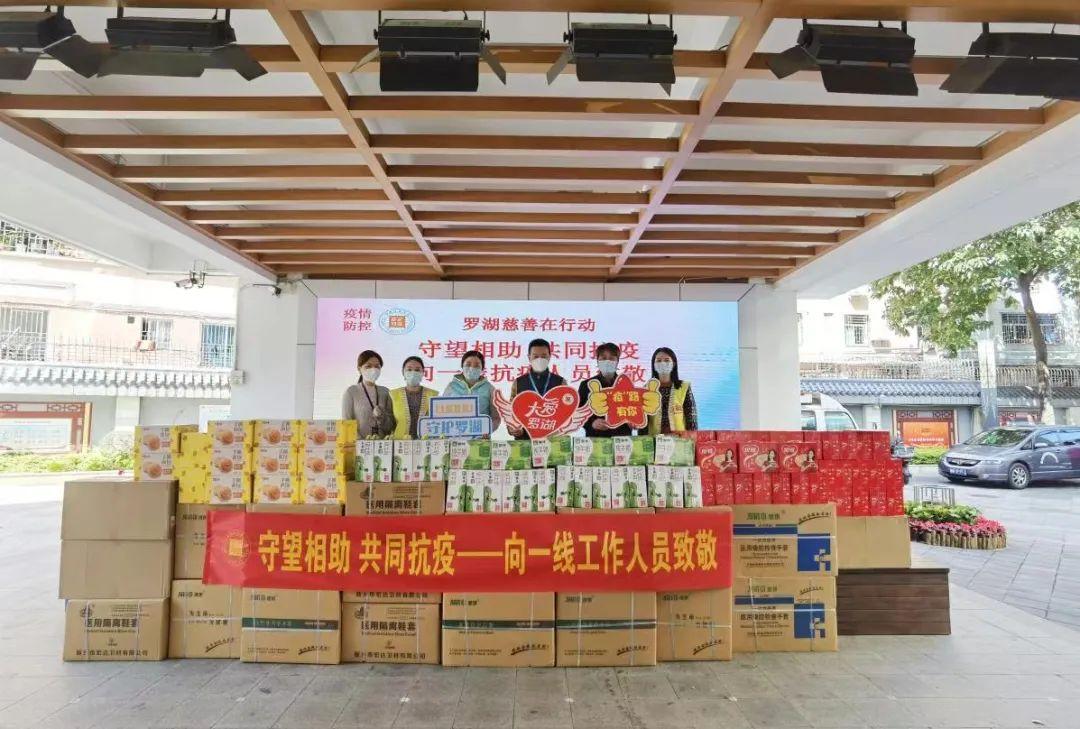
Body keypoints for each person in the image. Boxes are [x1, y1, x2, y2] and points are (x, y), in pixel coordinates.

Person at [508, 338, 566, 439]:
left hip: (552, 441)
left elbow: (565, 412)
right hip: (524, 440)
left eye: (543, 356)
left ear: (549, 357)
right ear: (529, 357)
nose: (539, 359)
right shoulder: (519, 382)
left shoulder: (560, 382)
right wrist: (512, 428)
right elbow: (511, 411)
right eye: (535, 356)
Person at [578, 342, 633, 437]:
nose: (607, 361)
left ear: (617, 361)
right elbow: (578, 413)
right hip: (596, 439)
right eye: (603, 358)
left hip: (621, 438)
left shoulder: (627, 385)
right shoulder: (586, 385)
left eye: (612, 358)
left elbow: (635, 410)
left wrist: (634, 421)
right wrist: (591, 423)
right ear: (597, 361)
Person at [442, 350, 502, 432]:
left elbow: (496, 418)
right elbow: (442, 414)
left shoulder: (489, 388)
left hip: (481, 438)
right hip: (455, 436)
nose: (472, 368)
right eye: (468, 364)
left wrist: (487, 430)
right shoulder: (451, 386)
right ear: (462, 366)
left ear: (482, 369)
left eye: (477, 365)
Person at [341, 349, 395, 437]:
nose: (373, 370)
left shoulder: (386, 392)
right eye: (368, 366)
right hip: (359, 444)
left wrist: (382, 417)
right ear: (359, 369)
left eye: (377, 366)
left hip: (382, 443)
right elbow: (347, 424)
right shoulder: (351, 392)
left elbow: (391, 427)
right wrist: (362, 442)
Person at [646, 347, 698, 435]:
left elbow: (691, 416)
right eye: (658, 361)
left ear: (673, 364)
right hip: (654, 437)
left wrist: (692, 437)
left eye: (667, 360)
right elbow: (644, 421)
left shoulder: (684, 387)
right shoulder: (646, 389)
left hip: (679, 437)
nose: (662, 363)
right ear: (653, 365)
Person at [390, 356, 439, 439]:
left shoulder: (433, 395)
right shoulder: (393, 395)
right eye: (409, 369)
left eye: (417, 370)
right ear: (403, 372)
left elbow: (437, 422)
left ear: (423, 373)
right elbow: (389, 424)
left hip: (425, 442)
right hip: (400, 442)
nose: (413, 373)